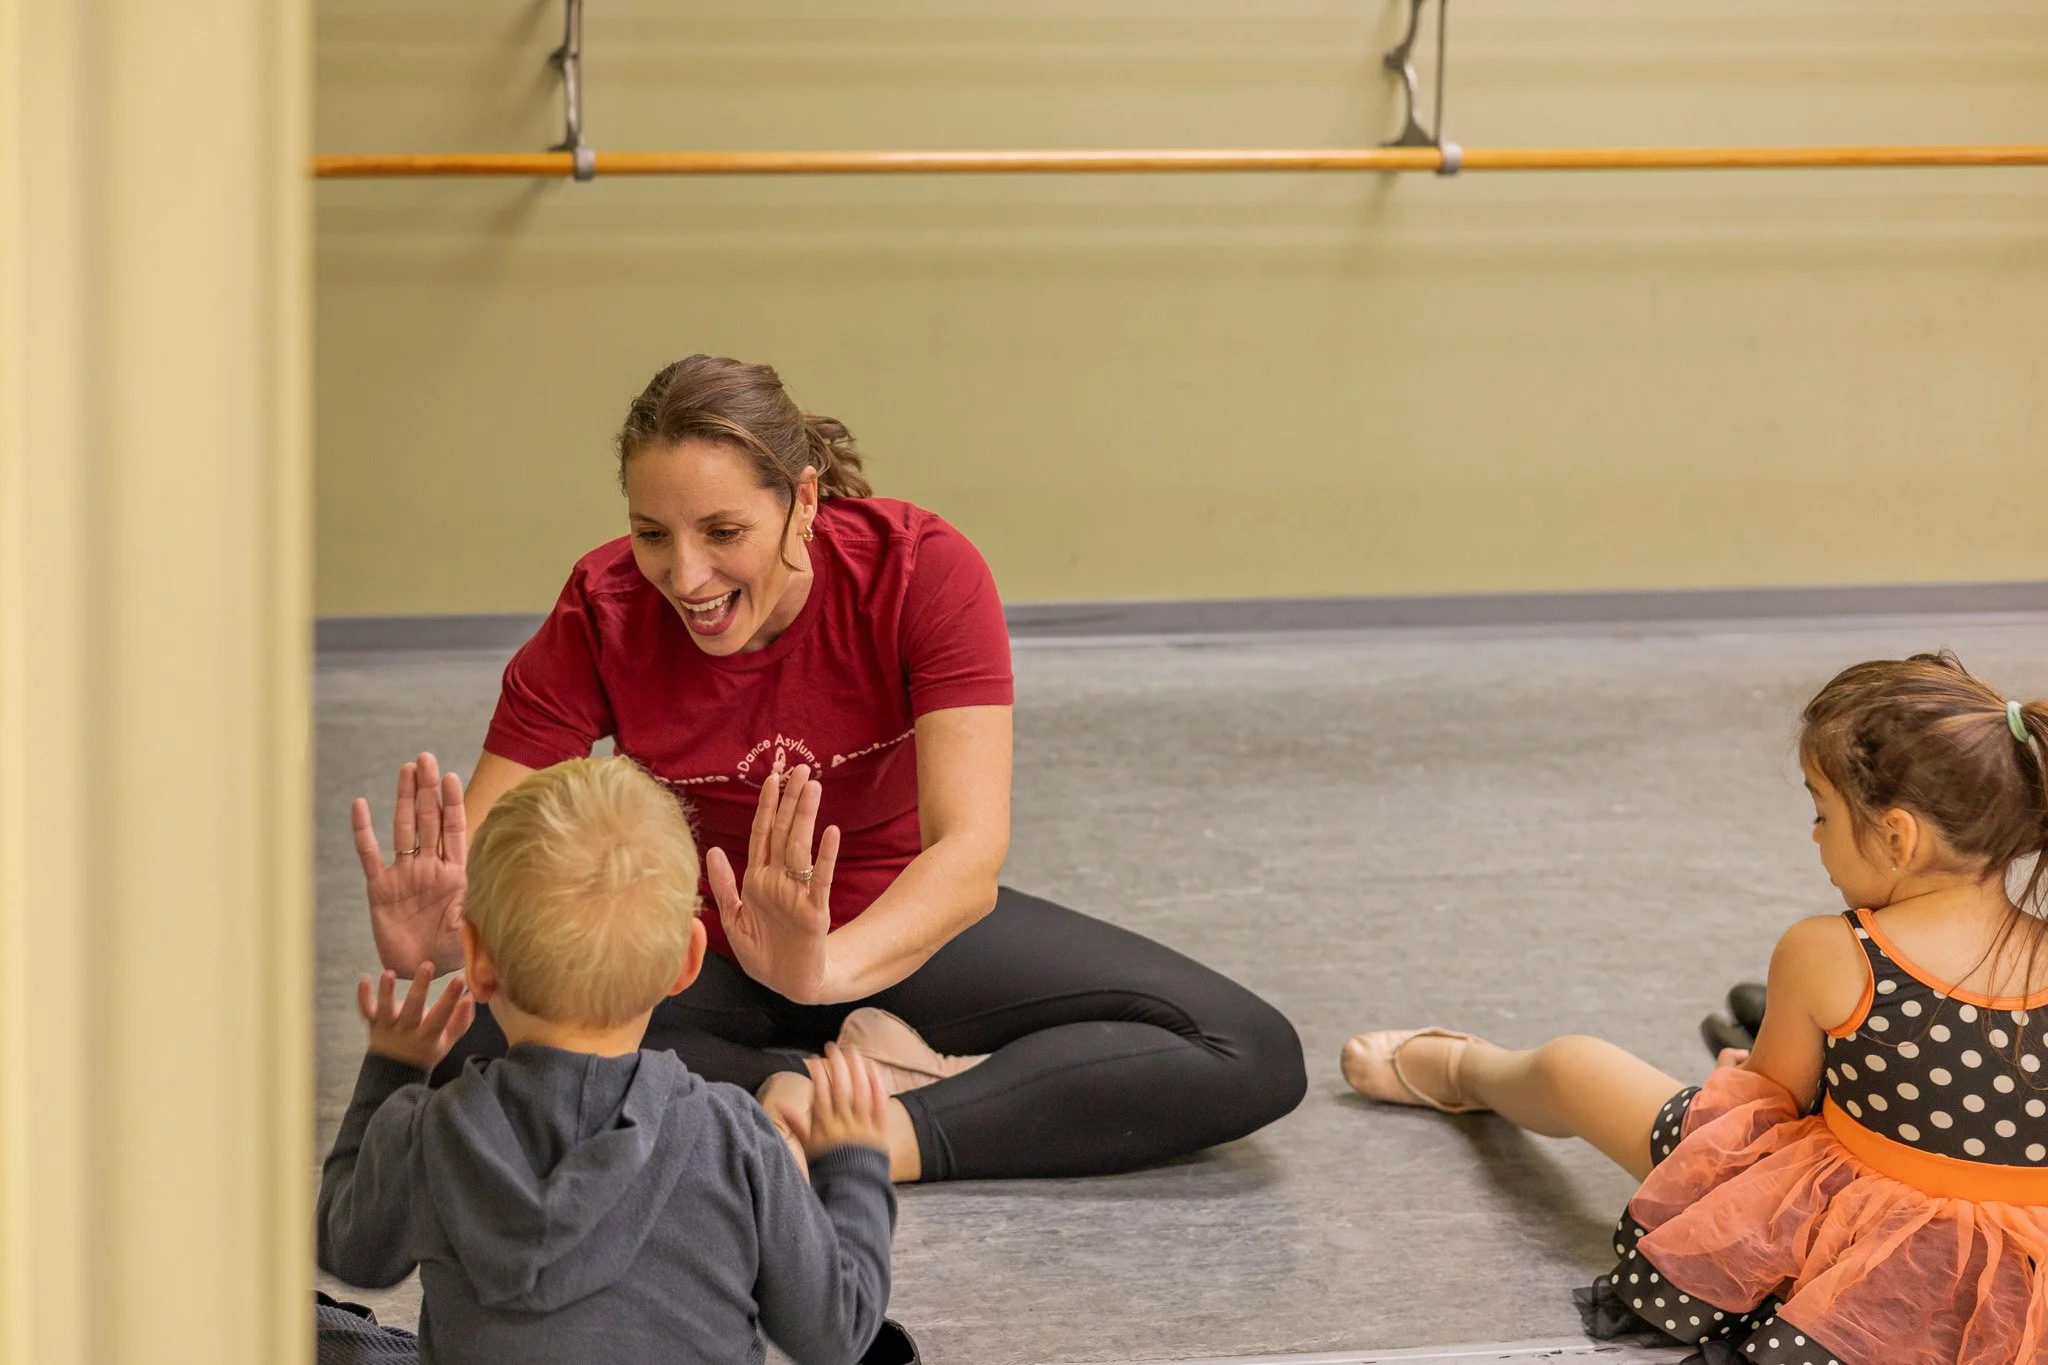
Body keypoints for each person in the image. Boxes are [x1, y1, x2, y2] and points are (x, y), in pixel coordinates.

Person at [356, 354, 1305, 1183]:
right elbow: (483, 842)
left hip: (893, 923)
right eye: (653, 534)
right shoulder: (604, 607)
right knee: (467, 1057)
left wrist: (826, 970)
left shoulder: (920, 570)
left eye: (723, 532)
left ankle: (881, 1133)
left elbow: (968, 852)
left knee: (1248, 1049)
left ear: (803, 500)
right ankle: (798, 1085)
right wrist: (444, 936)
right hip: (696, 946)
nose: (684, 577)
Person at [1342, 652, 2048, 1365]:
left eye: (1821, 812)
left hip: (1859, 1250)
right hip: (2024, 1292)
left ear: (1897, 836)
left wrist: (1741, 1078)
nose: (1814, 836)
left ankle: (1470, 1069)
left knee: (1575, 1067)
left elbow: (1766, 1114)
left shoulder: (1830, 950)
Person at [320, 758, 900, 1365]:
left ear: (477, 960)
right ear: (688, 961)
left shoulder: (428, 1131)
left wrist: (391, 1070)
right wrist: (852, 1164)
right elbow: (838, 1335)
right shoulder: (736, 1139)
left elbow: (348, 1248)